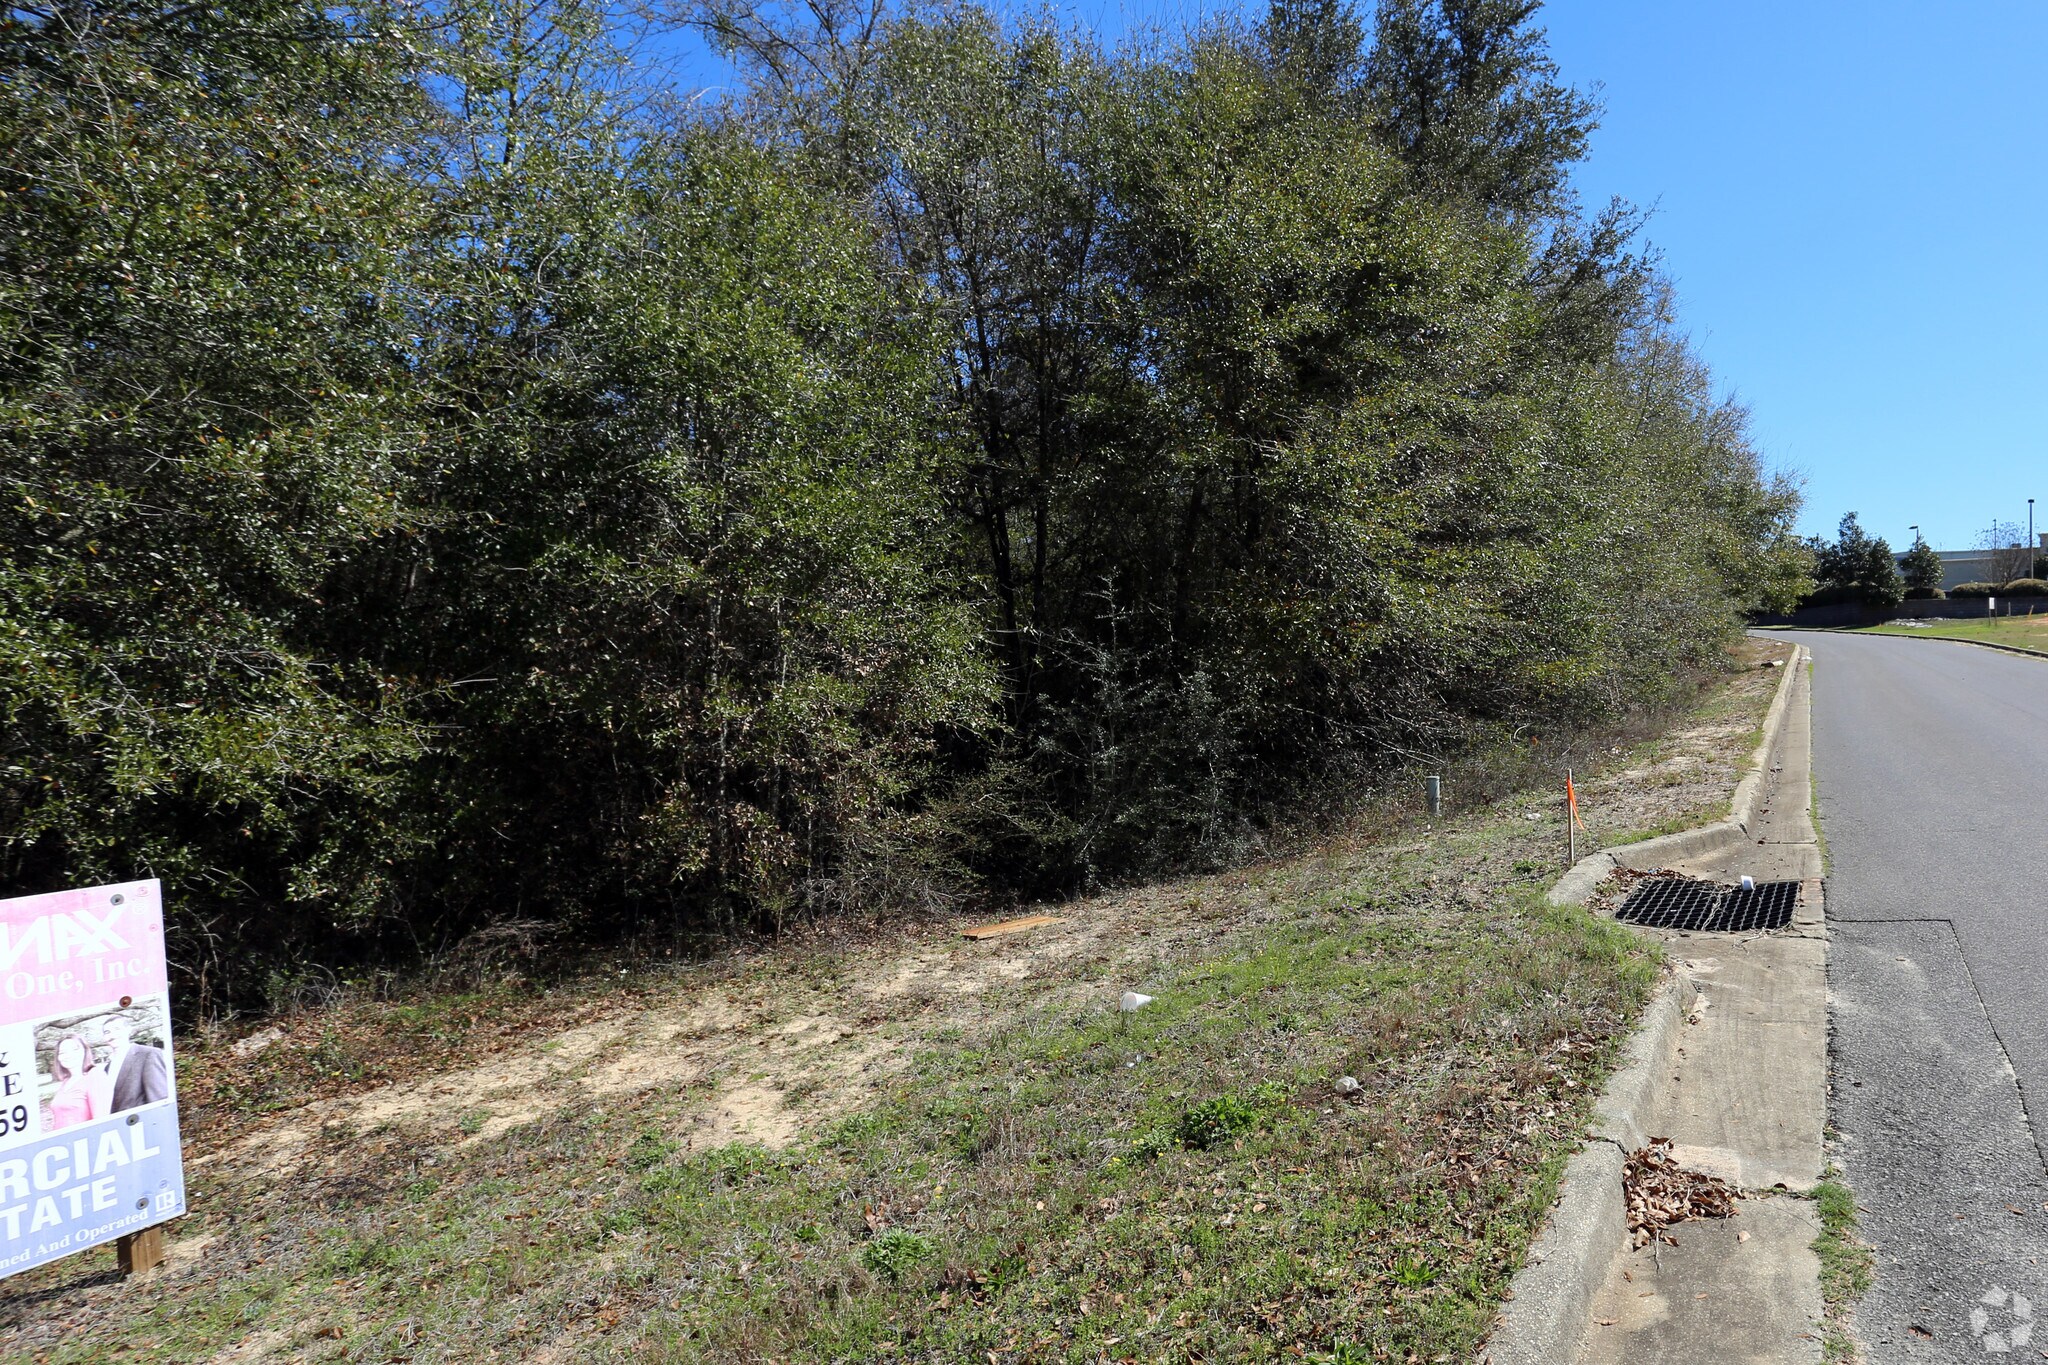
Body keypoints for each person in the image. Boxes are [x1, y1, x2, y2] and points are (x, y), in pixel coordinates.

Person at [44, 1033, 112, 1132]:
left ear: (85, 1051)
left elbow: (101, 1122)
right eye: (62, 1052)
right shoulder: (66, 1081)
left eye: (74, 1049)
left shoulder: (95, 1075)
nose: (68, 1055)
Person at [103, 1013, 169, 1112]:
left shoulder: (148, 1055)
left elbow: (159, 1099)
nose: (112, 1035)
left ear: (128, 1030)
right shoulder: (107, 1068)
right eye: (107, 1032)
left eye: (117, 1029)